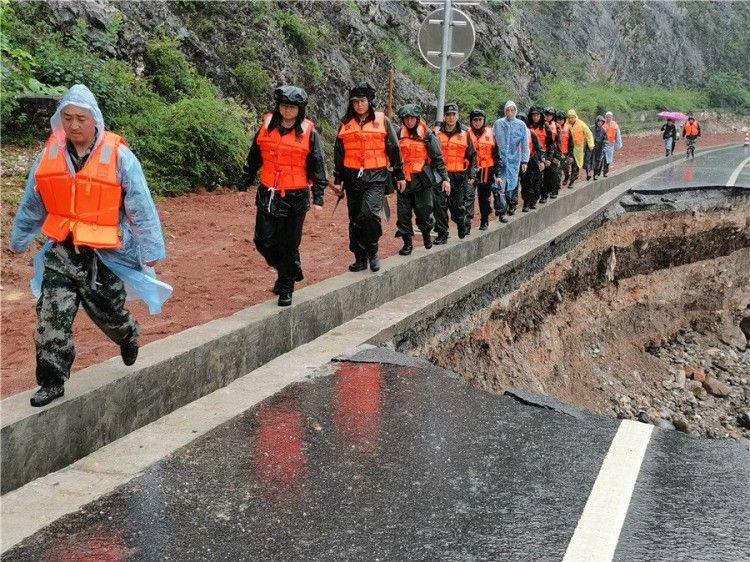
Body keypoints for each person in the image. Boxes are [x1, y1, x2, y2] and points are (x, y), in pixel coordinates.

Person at [9, 84, 172, 407]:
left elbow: (140, 206)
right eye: (67, 118)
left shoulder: (119, 156)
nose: (73, 125)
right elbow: (33, 201)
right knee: (51, 316)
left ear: (94, 119)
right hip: (63, 251)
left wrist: (150, 250)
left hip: (104, 256)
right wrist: (19, 238)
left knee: (109, 314)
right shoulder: (50, 155)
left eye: (80, 118)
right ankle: (52, 380)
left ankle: (127, 335)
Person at [241, 86, 326, 306]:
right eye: (284, 106)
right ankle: (288, 269)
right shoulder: (267, 126)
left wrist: (318, 198)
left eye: (292, 107)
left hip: (295, 196)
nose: (287, 110)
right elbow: (254, 155)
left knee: (289, 243)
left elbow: (318, 166)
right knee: (263, 241)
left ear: (300, 109)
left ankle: (287, 285)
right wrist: (246, 177)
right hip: (268, 191)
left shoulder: (310, 133)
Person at [334, 83, 405, 272]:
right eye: (355, 101)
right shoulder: (345, 122)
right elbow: (339, 151)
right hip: (352, 176)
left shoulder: (383, 120)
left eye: (362, 101)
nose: (359, 105)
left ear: (370, 101)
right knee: (355, 218)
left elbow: (394, 148)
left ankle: (373, 251)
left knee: (370, 214)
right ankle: (359, 257)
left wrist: (399, 174)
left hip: (376, 176)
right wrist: (338, 176)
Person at [394, 103, 448, 255]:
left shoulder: (428, 135)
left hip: (423, 181)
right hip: (404, 181)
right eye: (406, 118)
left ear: (417, 118)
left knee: (424, 214)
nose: (409, 121)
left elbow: (438, 157)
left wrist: (445, 178)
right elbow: (393, 156)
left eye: (412, 118)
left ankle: (426, 235)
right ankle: (407, 244)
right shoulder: (398, 134)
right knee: (403, 215)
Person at [434, 103, 476, 243]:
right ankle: (442, 234)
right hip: (440, 174)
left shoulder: (465, 133)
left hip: (459, 175)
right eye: (448, 115)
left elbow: (472, 155)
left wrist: (471, 175)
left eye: (453, 115)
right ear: (444, 117)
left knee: (456, 206)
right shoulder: (436, 133)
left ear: (457, 116)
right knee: (439, 206)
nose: (451, 118)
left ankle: (461, 222)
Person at [468, 108, 504, 228]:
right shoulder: (465, 134)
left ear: (484, 120)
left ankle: (484, 219)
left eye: (480, 119)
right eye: (475, 120)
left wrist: (498, 174)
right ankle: (467, 222)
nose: (477, 122)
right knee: (468, 196)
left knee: (484, 198)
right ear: (471, 121)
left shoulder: (491, 134)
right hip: (470, 171)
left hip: (486, 171)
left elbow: (497, 156)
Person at [493, 101, 529, 215]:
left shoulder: (521, 125)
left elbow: (525, 144)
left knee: (512, 183)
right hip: (500, 159)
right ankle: (500, 209)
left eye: (512, 110)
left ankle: (510, 205)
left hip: (514, 160)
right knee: (498, 184)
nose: (510, 112)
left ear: (515, 111)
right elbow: (492, 140)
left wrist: (524, 161)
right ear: (504, 111)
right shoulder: (498, 123)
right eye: (507, 110)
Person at [518, 112, 544, 212]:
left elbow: (539, 148)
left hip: (529, 160)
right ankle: (511, 205)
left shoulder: (530, 133)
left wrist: (541, 160)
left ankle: (527, 203)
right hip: (516, 161)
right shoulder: (512, 133)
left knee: (527, 183)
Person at [527, 106, 553, 203]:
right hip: (531, 155)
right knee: (531, 179)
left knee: (543, 178)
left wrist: (549, 158)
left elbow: (551, 144)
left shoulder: (545, 127)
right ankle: (532, 198)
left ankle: (544, 195)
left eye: (537, 115)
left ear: (540, 116)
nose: (535, 117)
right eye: (533, 115)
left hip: (543, 155)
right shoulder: (527, 126)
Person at [566, 109, 594, 188]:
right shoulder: (565, 124)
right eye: (569, 117)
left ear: (575, 117)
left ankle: (572, 180)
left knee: (576, 164)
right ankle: (567, 176)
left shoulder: (581, 124)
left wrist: (591, 144)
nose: (570, 119)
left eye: (572, 117)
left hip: (578, 148)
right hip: (568, 148)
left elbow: (588, 133)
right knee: (566, 163)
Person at [542, 107, 563, 200]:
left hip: (554, 153)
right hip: (543, 152)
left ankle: (554, 190)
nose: (548, 117)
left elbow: (559, 142)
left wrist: (558, 156)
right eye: (546, 114)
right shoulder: (541, 125)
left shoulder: (557, 126)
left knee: (554, 174)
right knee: (544, 175)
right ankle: (544, 194)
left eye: (550, 115)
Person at [555, 110, 573, 187]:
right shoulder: (552, 128)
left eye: (561, 119)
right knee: (557, 170)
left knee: (566, 170)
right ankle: (557, 185)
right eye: (558, 119)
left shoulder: (568, 129)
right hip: (557, 154)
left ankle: (567, 177)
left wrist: (571, 155)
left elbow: (571, 143)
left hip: (566, 153)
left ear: (564, 120)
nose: (560, 121)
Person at [588, 115, 607, 180]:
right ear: (596, 121)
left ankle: (595, 174)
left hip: (599, 148)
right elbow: (588, 137)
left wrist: (604, 145)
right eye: (599, 121)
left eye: (601, 122)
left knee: (598, 161)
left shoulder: (603, 130)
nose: (600, 123)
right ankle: (588, 173)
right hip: (591, 147)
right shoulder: (591, 128)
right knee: (589, 160)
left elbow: (605, 139)